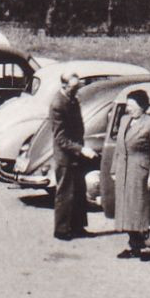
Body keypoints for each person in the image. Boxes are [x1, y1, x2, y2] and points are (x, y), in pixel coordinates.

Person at [110, 88, 150, 256]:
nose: (128, 108)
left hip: (140, 170)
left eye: (131, 105)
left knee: (138, 207)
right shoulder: (125, 120)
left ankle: (143, 245)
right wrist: (113, 168)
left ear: (141, 106)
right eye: (127, 104)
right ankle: (134, 244)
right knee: (126, 207)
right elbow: (118, 147)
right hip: (123, 169)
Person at [50, 71, 93, 240]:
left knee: (79, 191)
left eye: (78, 87)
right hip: (66, 156)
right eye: (74, 88)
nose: (77, 91)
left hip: (76, 152)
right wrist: (81, 149)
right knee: (65, 192)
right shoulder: (58, 105)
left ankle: (78, 227)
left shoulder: (72, 99)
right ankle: (61, 230)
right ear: (64, 86)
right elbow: (60, 138)